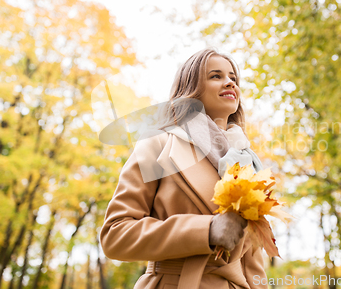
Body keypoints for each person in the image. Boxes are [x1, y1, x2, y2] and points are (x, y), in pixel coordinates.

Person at [100, 48, 269, 289]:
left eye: (233, 77)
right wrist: (205, 231)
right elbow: (115, 235)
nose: (230, 82)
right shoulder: (158, 144)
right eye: (215, 76)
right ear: (191, 88)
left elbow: (252, 259)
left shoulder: (246, 161)